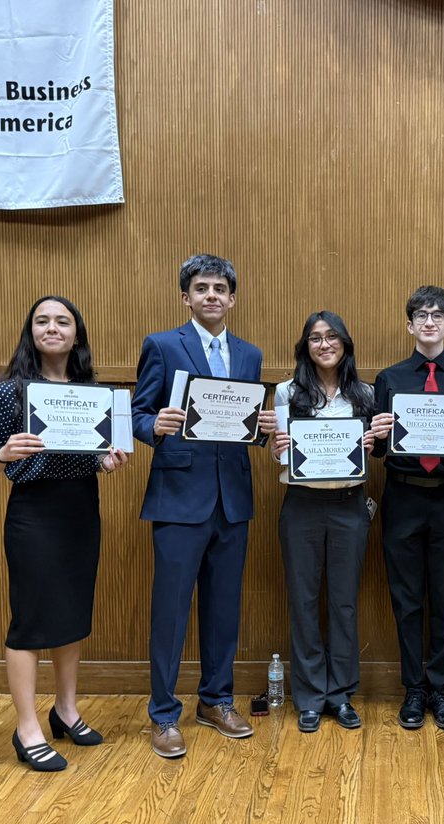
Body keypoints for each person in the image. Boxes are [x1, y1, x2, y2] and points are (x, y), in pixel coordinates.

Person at [132, 254, 276, 759]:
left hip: (232, 500)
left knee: (223, 609)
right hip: (178, 499)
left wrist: (265, 431)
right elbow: (138, 414)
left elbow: (245, 423)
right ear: (186, 297)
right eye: (201, 288)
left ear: (232, 299)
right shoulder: (163, 345)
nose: (211, 295)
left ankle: (215, 700)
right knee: (170, 611)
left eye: (220, 288)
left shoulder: (250, 355)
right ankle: (163, 713)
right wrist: (155, 426)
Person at [0, 296, 128, 772]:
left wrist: (105, 461)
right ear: (31, 331)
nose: (52, 328)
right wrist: (4, 455)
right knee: (31, 619)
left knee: (72, 611)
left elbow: (93, 454)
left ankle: (65, 709)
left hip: (81, 508)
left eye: (62, 321)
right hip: (34, 513)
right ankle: (26, 727)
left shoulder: (92, 393)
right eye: (42, 320)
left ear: (77, 334)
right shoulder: (9, 392)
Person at [368, 286, 444, 731]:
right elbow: (378, 452)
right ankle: (413, 689)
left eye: (439, 315)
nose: (430, 322)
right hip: (403, 496)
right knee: (405, 598)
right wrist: (377, 432)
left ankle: (442, 689)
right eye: (422, 315)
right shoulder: (390, 379)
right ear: (410, 325)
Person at [271, 312, 382, 733]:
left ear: (345, 344)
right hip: (301, 505)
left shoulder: (365, 394)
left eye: (332, 336)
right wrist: (275, 446)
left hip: (349, 504)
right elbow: (280, 456)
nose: (324, 344)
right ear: (305, 347)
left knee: (344, 602)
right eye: (315, 338)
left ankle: (340, 694)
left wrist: (374, 440)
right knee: (303, 601)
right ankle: (310, 696)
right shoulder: (286, 392)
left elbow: (377, 449)